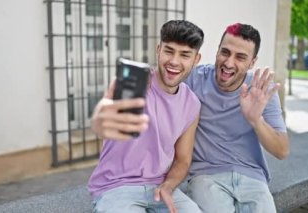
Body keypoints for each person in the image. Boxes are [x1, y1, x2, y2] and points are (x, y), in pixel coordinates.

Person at [88, 20, 204, 213]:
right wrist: (99, 120)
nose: (174, 61)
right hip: (116, 186)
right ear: (158, 50)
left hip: (160, 187)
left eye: (184, 55)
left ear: (196, 59)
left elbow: (183, 159)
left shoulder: (191, 103)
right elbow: (103, 120)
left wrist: (168, 186)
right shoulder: (136, 84)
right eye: (169, 51)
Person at [184, 23, 289, 213]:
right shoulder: (194, 79)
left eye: (240, 57)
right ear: (217, 51)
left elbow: (282, 150)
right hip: (206, 175)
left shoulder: (262, 89)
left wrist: (256, 120)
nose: (229, 63)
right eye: (225, 52)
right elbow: (157, 83)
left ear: (252, 62)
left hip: (252, 177)